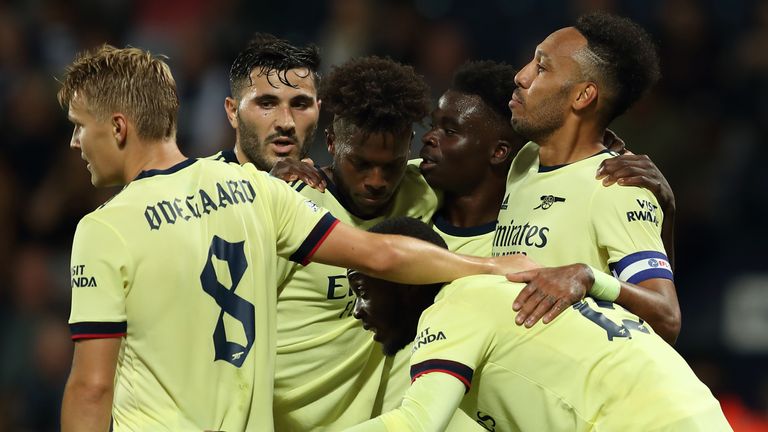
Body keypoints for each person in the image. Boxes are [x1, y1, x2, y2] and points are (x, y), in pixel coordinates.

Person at [57, 45, 533, 432]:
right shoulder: (256, 190)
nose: (76, 142)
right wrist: (493, 266)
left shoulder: (106, 228)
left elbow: (91, 388)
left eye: (80, 126)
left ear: (118, 126)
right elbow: (381, 254)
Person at [345, 217, 732, 432]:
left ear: (405, 283)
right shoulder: (492, 297)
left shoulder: (455, 305)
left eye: (362, 289)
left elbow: (416, 424)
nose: (358, 310)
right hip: (702, 414)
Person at [271, 56, 442, 431]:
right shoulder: (290, 203)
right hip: (276, 419)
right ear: (331, 143)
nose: (377, 180)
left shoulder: (420, 192)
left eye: (391, 165)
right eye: (361, 164)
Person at [496, 12, 681, 344]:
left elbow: (667, 318)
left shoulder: (616, 185)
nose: (521, 77)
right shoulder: (524, 160)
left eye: (541, 67)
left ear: (583, 96)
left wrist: (589, 278)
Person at [215, 33, 322, 171]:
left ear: (318, 110)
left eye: (299, 105)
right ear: (233, 112)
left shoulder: (333, 191)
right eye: (267, 104)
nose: (286, 123)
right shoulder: (195, 185)